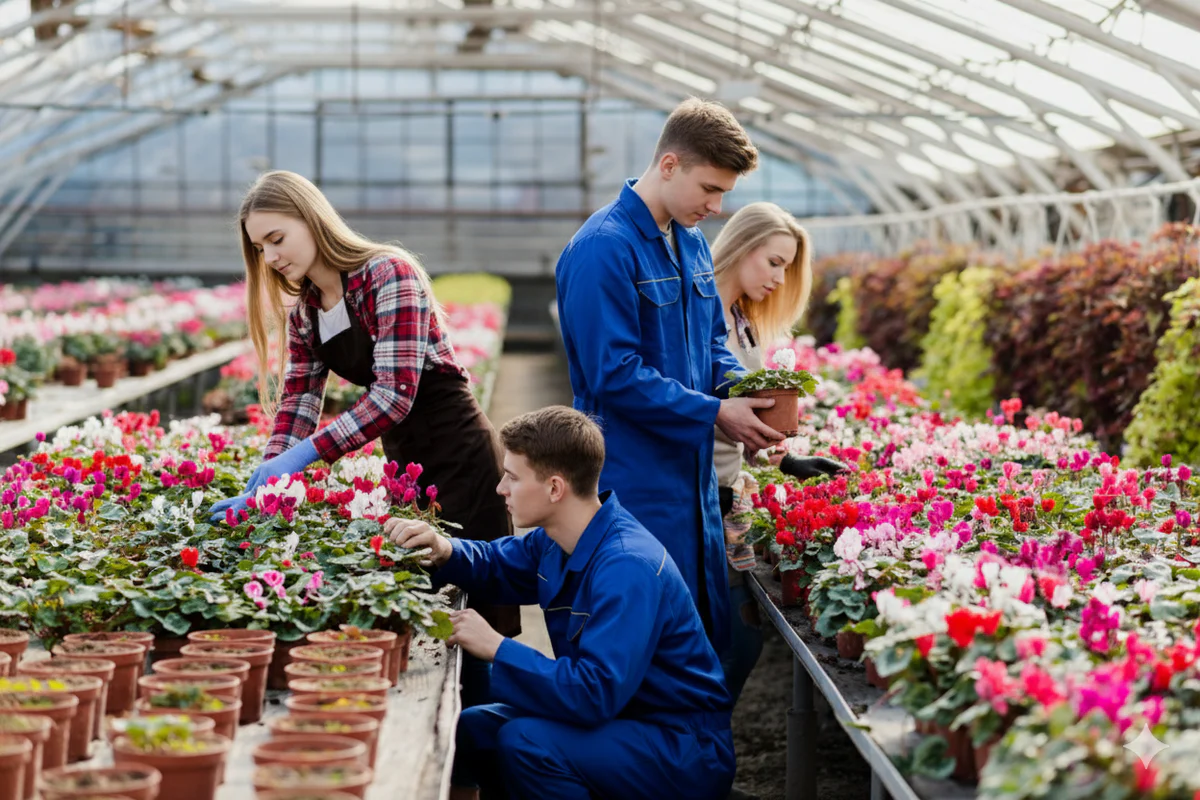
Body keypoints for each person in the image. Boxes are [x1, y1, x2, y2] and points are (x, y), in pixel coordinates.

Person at [208, 170, 518, 703]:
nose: (272, 257)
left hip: (458, 452)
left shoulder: (386, 275)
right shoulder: (307, 308)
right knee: (427, 596)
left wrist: (305, 457)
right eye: (260, 248)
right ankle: (455, 734)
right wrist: (267, 477)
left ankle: (490, 742)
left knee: (475, 604)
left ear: (312, 218)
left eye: (277, 239)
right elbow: (299, 401)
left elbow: (394, 395)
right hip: (404, 463)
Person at [384, 406, 736, 800]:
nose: (501, 488)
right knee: (475, 727)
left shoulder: (627, 567)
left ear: (555, 488)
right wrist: (443, 548)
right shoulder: (559, 538)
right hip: (623, 721)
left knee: (526, 743)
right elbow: (498, 564)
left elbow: (594, 693)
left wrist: (497, 647)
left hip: (680, 745)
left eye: (513, 477)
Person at [555, 98, 781, 656]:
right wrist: (713, 412)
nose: (717, 204)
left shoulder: (691, 240)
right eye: (709, 188)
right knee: (636, 643)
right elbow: (615, 373)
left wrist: (747, 393)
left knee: (694, 637)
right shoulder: (603, 248)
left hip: (693, 485)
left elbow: (709, 347)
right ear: (670, 164)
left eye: (724, 192)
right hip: (629, 484)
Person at [710, 202, 845, 706]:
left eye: (788, 267)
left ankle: (699, 758)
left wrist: (787, 463)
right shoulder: (698, 315)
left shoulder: (740, 319)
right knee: (731, 640)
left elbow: (738, 417)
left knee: (735, 640)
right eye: (774, 261)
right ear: (742, 247)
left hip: (728, 497)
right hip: (697, 500)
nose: (780, 277)